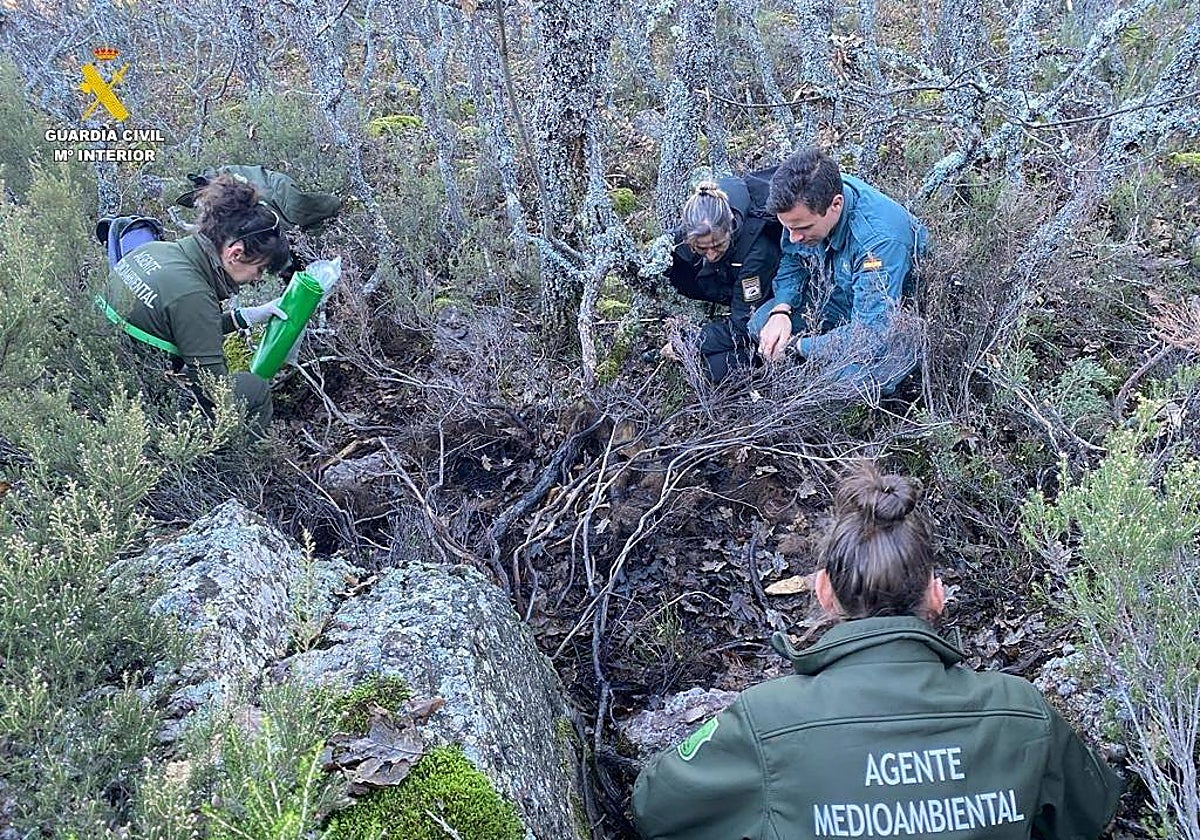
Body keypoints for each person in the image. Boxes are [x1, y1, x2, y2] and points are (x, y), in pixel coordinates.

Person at [632, 462, 1122, 840]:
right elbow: (1092, 810)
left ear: (824, 591)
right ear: (936, 594)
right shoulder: (1022, 712)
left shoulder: (767, 723)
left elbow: (655, 807)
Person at [99, 174, 292, 431]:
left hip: (103, 371)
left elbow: (178, 326)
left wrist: (246, 316)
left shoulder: (156, 250)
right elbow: (214, 390)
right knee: (254, 389)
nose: (256, 279)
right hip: (135, 403)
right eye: (259, 268)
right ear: (235, 254)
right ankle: (235, 468)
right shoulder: (193, 295)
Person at [752, 149, 927, 391]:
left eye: (802, 228)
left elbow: (871, 333)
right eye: (788, 227)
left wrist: (799, 346)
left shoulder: (879, 242)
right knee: (762, 322)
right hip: (841, 296)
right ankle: (805, 370)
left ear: (836, 204)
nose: (793, 237)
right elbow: (793, 261)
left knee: (848, 381)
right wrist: (781, 311)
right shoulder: (802, 207)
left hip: (896, 321)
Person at [665, 175, 782, 383]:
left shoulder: (756, 252)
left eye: (718, 245)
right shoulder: (681, 238)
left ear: (731, 228)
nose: (711, 254)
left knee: (716, 368)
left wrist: (687, 342)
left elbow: (744, 325)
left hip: (769, 302)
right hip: (733, 289)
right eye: (701, 248)